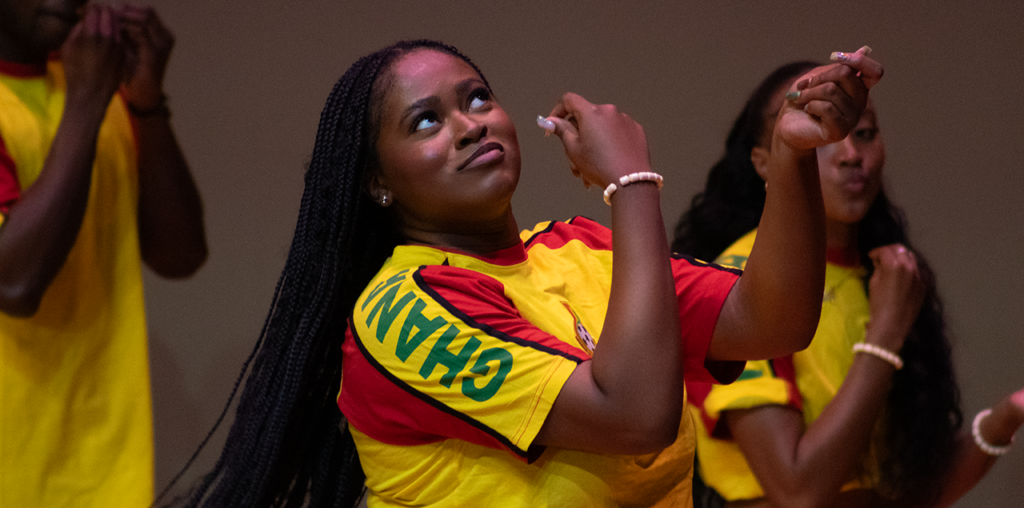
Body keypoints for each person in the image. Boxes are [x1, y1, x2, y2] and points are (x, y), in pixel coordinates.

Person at [165, 40, 879, 507]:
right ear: (378, 183)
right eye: (425, 122)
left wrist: (791, 155)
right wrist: (632, 182)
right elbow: (635, 416)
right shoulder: (402, 309)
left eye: (477, 98)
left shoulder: (580, 248)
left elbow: (772, 320)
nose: (471, 124)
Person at [676, 60, 1024, 508]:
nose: (850, 154)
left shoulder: (883, 276)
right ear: (766, 161)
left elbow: (896, 495)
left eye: (864, 133)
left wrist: (1007, 416)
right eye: (821, 134)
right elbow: (797, 489)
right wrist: (885, 334)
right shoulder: (740, 283)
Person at [0, 2, 207, 507]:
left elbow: (180, 255)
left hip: (110, 471)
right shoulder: (88, 91)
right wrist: (87, 98)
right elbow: (14, 283)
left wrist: (144, 101)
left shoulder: (98, 90)